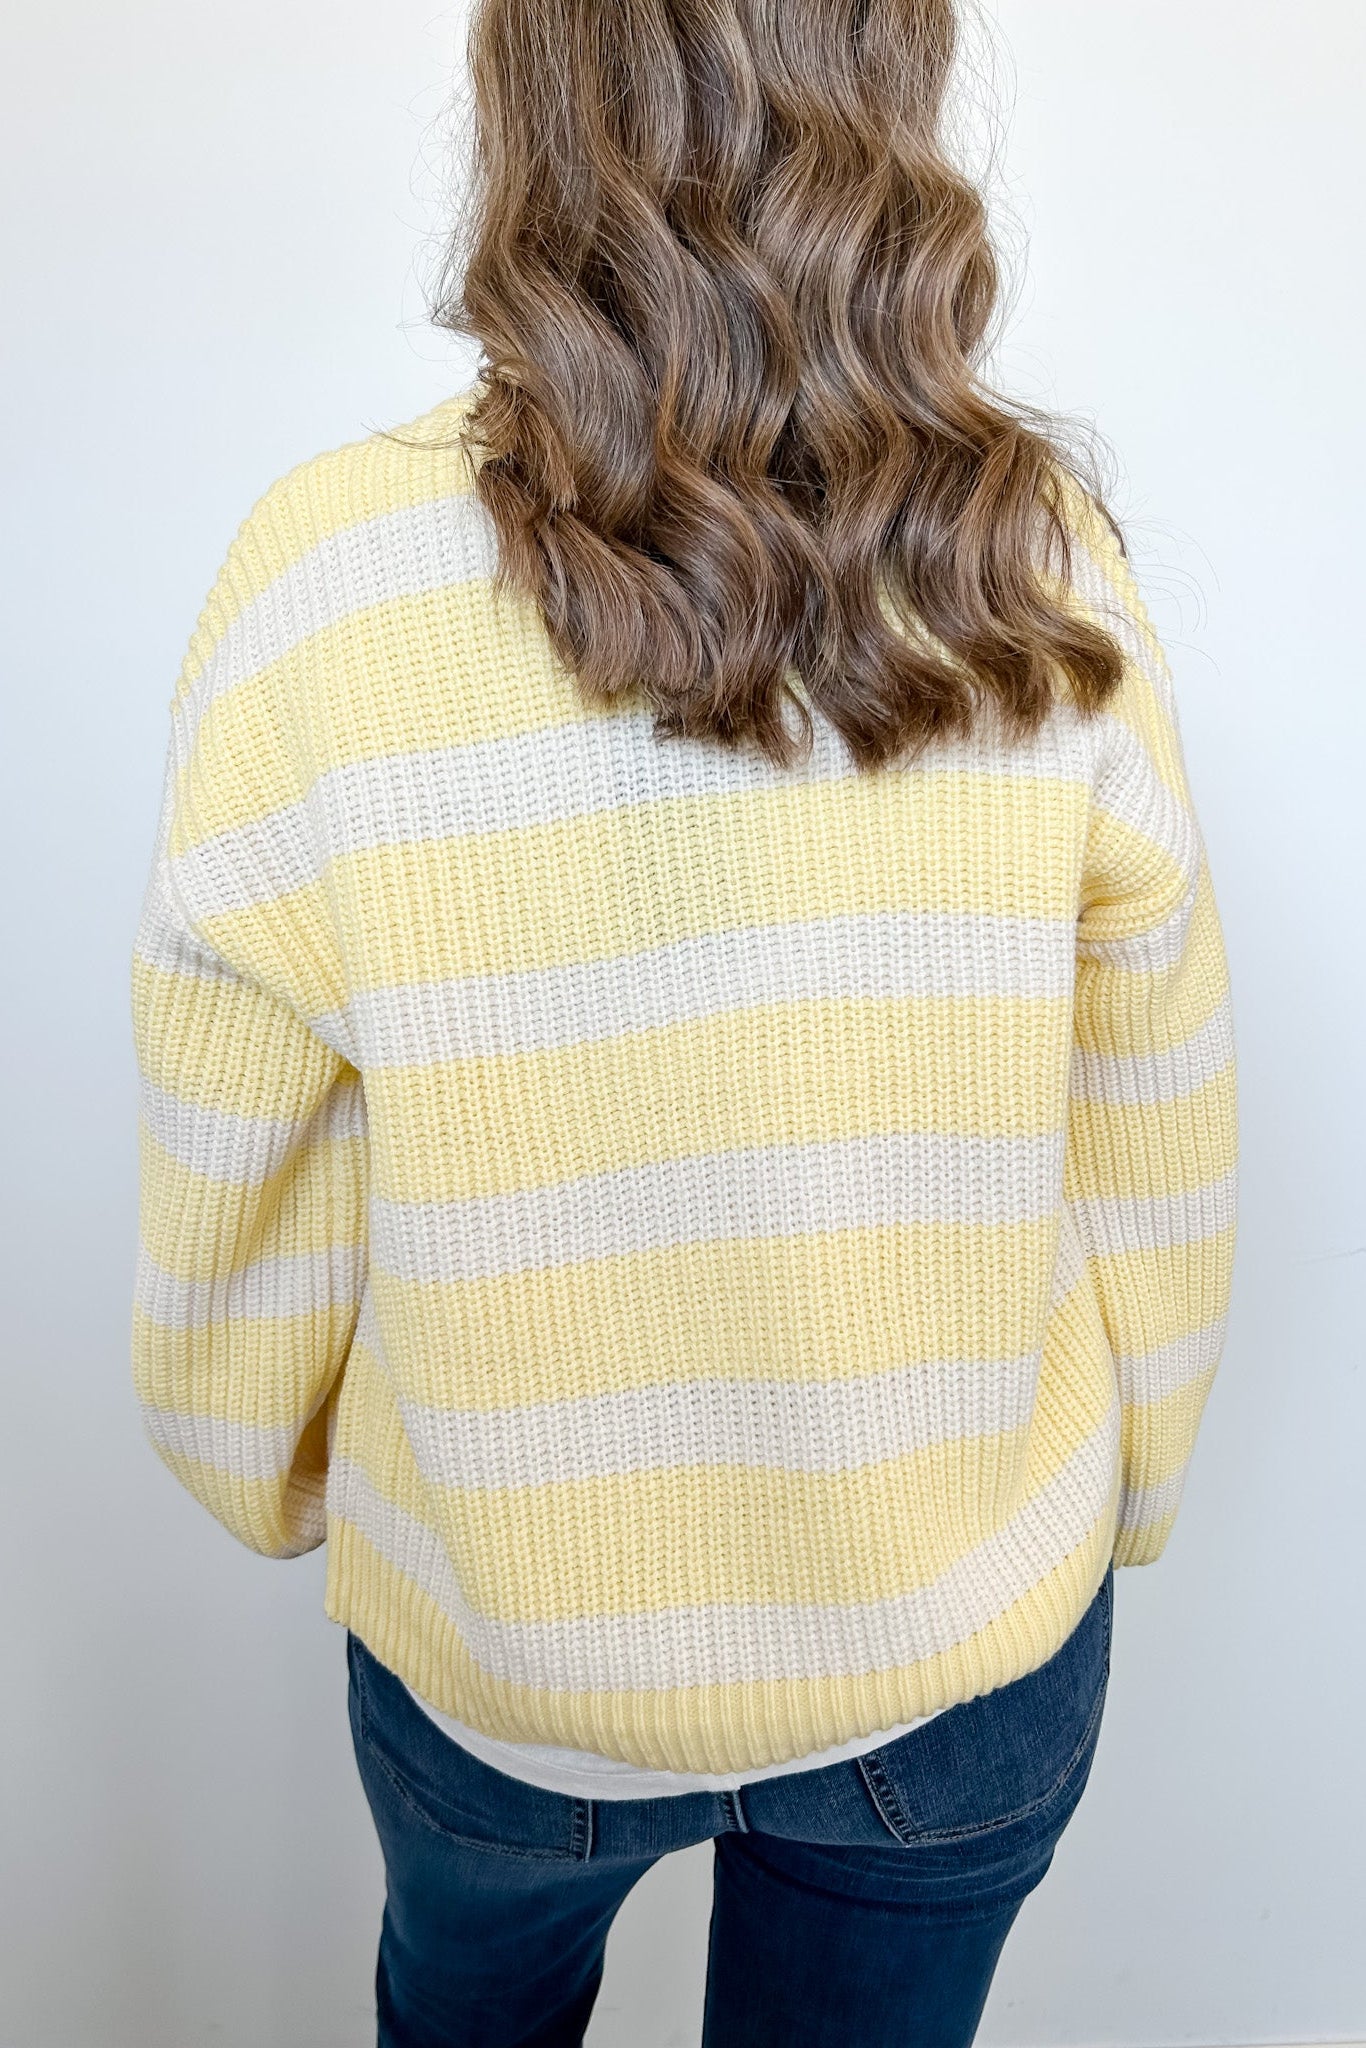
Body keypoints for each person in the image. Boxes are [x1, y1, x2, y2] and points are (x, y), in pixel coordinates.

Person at [128, 0, 1236, 2040]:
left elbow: (239, 1140)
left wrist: (269, 1464)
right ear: (887, 82)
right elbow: (1149, 1083)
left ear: (527, 93)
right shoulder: (1025, 565)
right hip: (956, 1628)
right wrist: (1130, 1470)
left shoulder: (322, 586)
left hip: (503, 1646)